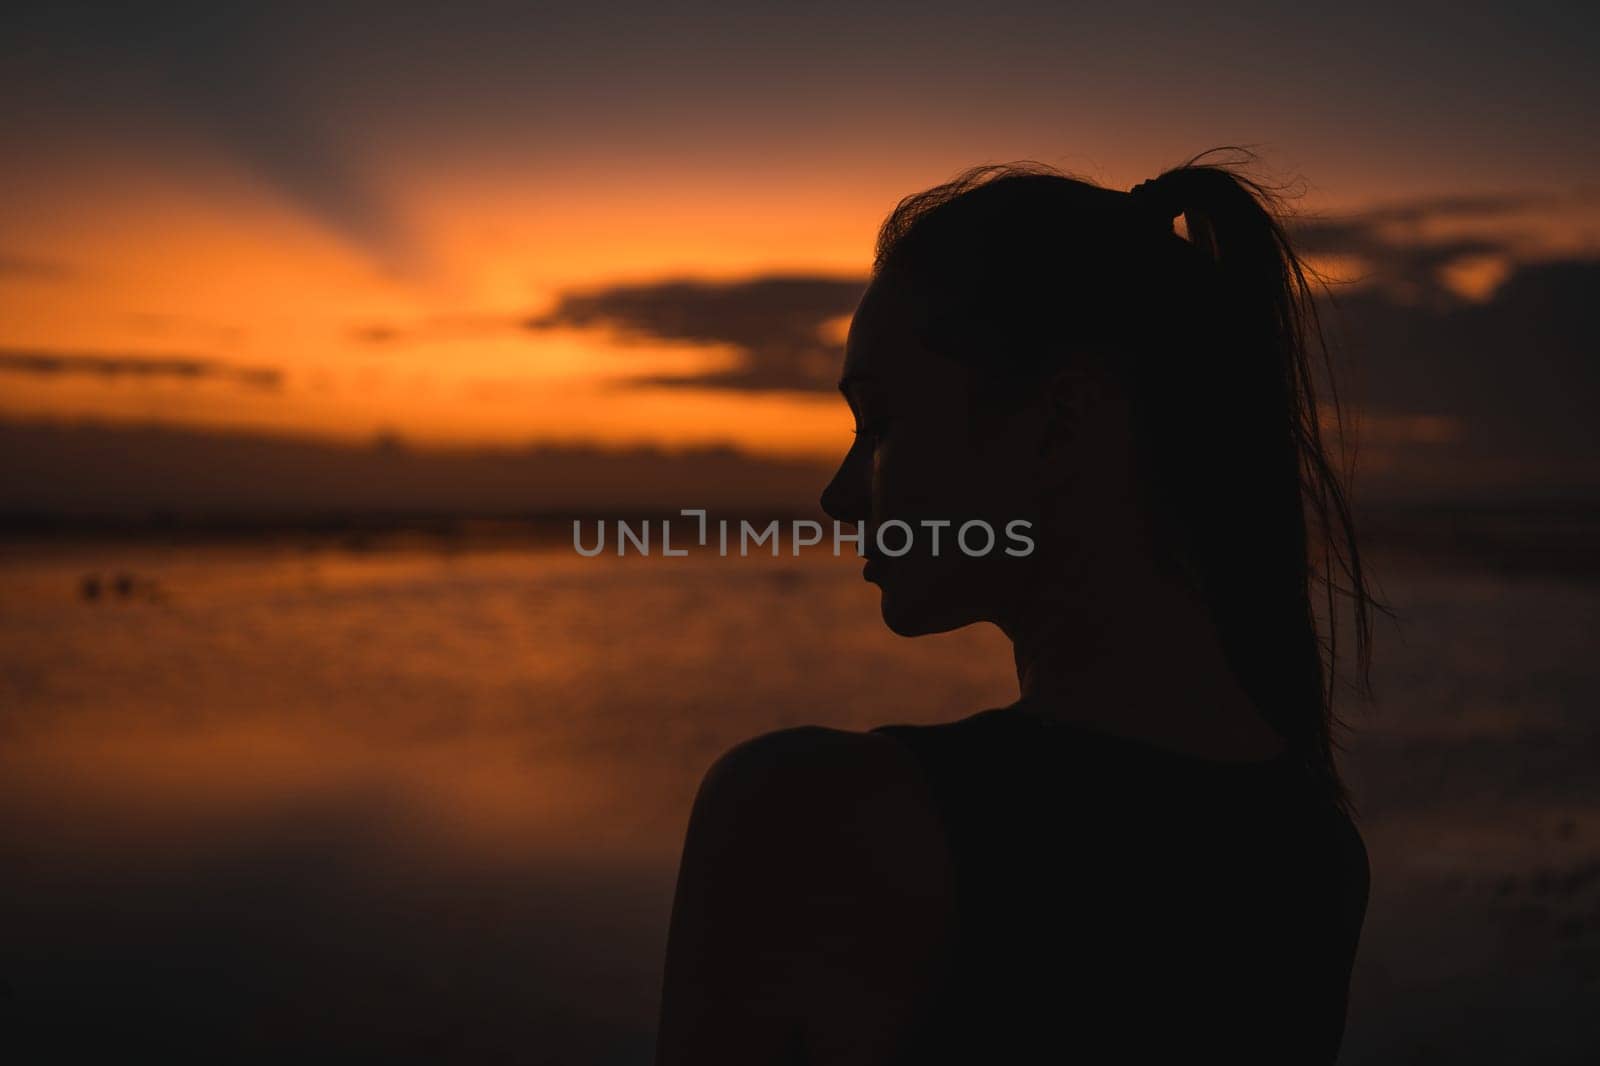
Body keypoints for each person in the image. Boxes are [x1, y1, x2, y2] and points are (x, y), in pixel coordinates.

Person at [655, 153, 1376, 1064]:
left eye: (878, 423)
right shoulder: (1317, 858)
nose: (841, 495)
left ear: (1065, 420)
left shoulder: (813, 817)